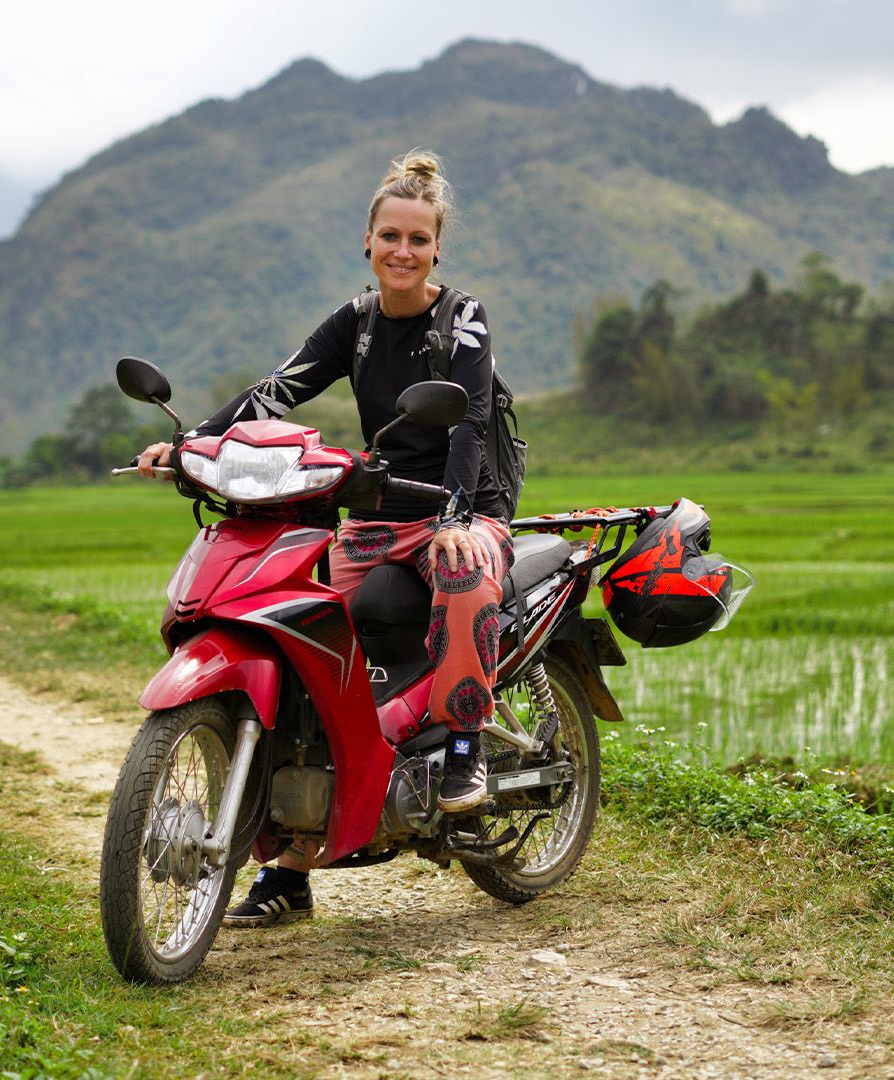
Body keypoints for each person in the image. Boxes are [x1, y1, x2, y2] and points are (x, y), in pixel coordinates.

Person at [137, 149, 510, 928]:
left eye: (418, 238)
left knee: (465, 581)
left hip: (462, 507)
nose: (402, 251)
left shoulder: (462, 317)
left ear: (437, 247)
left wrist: (458, 519)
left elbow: (469, 421)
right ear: (367, 242)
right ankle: (290, 869)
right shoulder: (358, 322)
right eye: (389, 237)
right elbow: (277, 390)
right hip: (377, 517)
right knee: (302, 639)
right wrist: (191, 444)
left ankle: (466, 750)